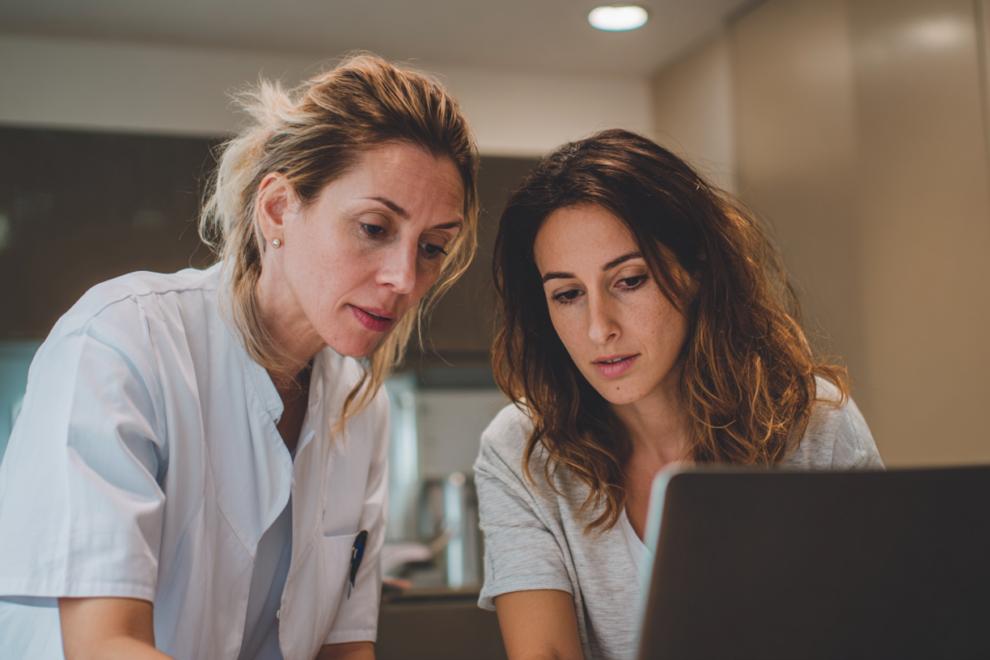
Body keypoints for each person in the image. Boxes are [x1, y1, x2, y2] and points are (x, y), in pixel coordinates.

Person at [0, 54, 478, 660]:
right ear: (278, 209)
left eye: (433, 247)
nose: (404, 278)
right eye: (375, 227)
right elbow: (106, 645)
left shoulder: (363, 409)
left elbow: (344, 647)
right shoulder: (122, 340)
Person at [474, 129, 882, 660]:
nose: (600, 328)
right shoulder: (520, 453)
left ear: (697, 270)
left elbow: (878, 630)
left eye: (629, 280)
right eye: (568, 294)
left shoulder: (814, 424)